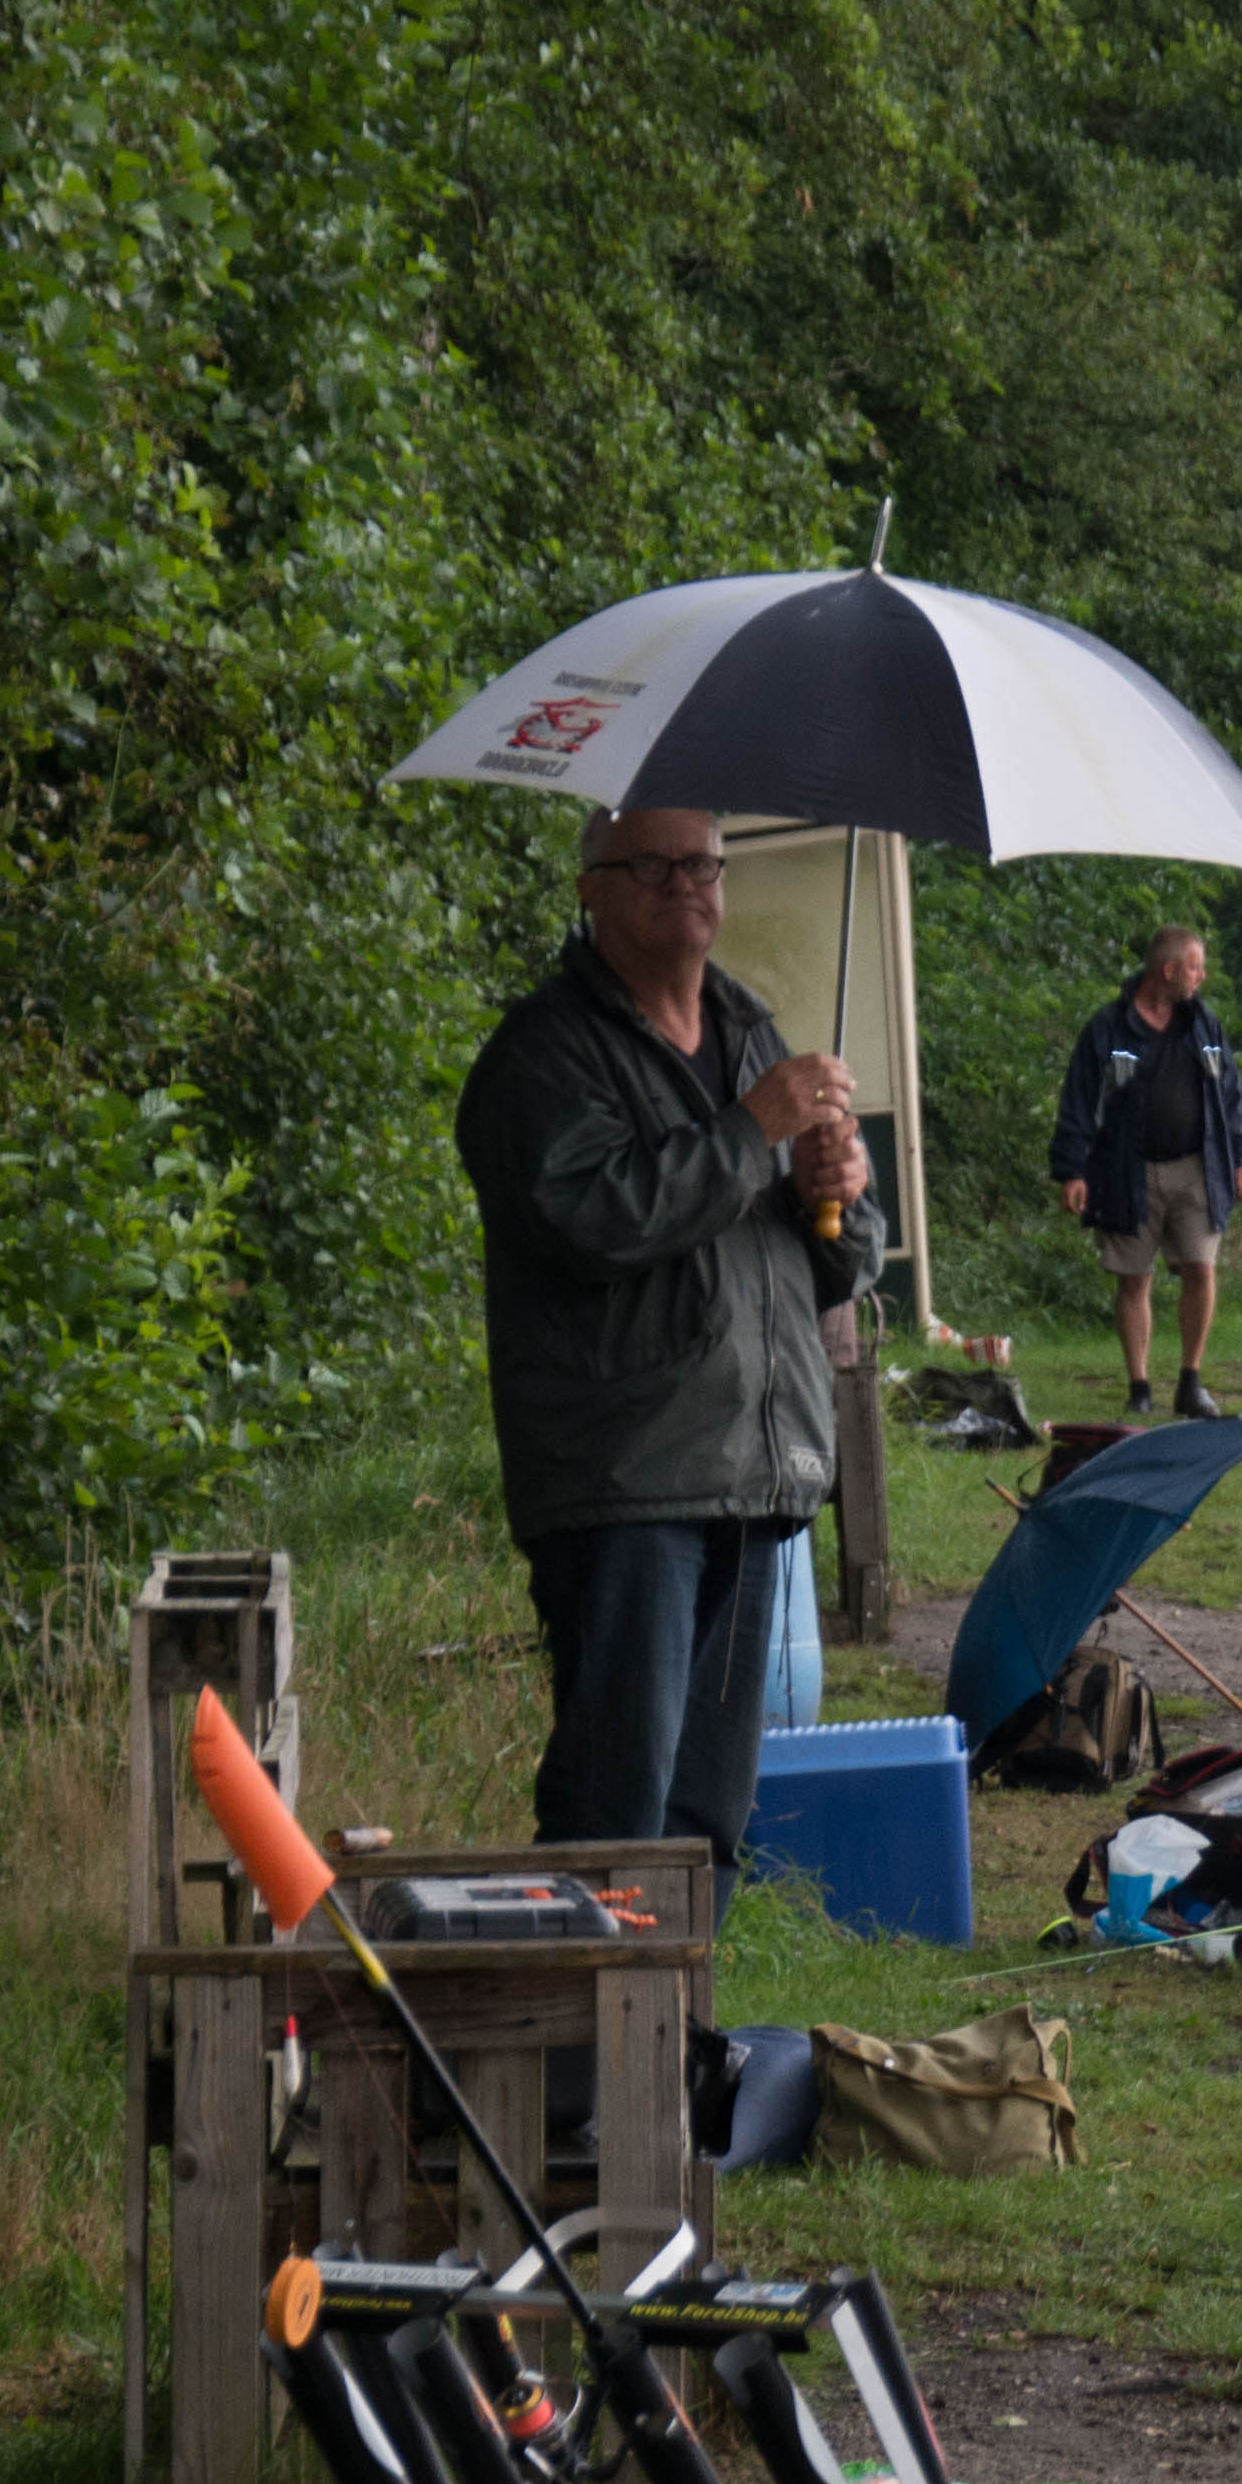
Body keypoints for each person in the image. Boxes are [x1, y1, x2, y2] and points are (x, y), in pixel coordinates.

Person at [452, 804, 885, 1898]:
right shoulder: (542, 1054)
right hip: (627, 1483)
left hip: (751, 1475)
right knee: (616, 1808)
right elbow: (593, 1218)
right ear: (592, 888)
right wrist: (751, 1133)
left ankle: (677, 2057)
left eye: (705, 863)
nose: (688, 883)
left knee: (706, 1826)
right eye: (655, 866)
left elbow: (832, 1264)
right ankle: (580, 2070)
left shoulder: (749, 1028)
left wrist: (839, 1197)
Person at [1047, 924, 1242, 1415]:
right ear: (1167, 970)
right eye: (1194, 967)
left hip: (1198, 1168)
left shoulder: (1204, 1026)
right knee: (1133, 1279)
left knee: (1201, 1268)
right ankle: (1140, 1387)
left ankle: (1191, 1381)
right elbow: (1079, 1100)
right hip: (1129, 1171)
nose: (1201, 976)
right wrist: (1072, 1170)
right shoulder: (1109, 1029)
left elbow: (1229, 1095)